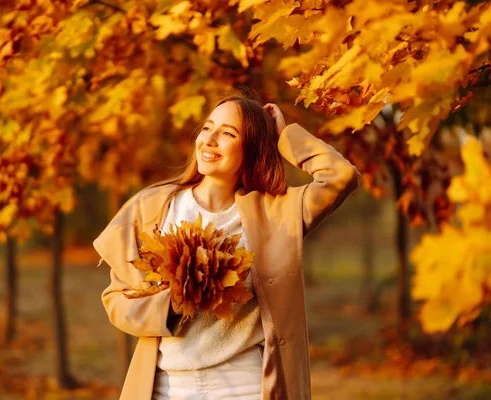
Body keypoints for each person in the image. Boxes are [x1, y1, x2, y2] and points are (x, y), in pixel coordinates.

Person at [93, 93, 360, 400]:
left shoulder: (275, 214)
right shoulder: (153, 206)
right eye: (207, 128)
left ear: (252, 148)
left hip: (243, 386)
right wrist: (171, 305)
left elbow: (340, 176)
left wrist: (285, 136)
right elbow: (117, 300)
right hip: (167, 387)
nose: (210, 140)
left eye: (229, 133)